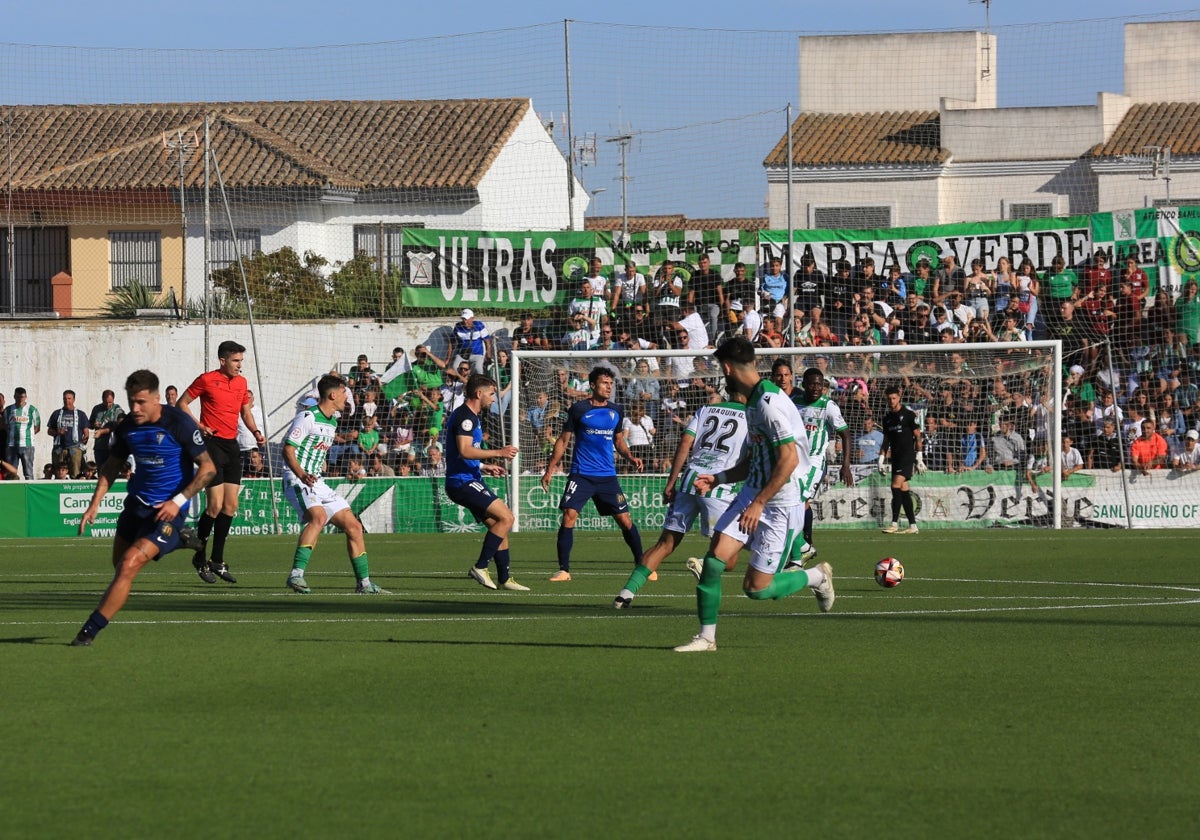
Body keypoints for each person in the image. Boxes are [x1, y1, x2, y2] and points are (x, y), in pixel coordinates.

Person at [674, 337, 834, 653]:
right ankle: (707, 638)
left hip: (779, 503)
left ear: (729, 367)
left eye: (721, 367)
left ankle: (817, 577)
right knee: (714, 560)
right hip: (752, 494)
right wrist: (719, 477)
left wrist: (760, 503)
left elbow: (788, 459)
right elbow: (757, 459)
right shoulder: (753, 400)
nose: (722, 374)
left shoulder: (769, 405)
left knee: (757, 590)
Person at [71, 369, 215, 646]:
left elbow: (208, 469)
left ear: (157, 398)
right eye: (131, 401)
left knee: (128, 566)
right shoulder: (127, 427)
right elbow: (111, 467)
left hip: (168, 510)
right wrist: (94, 505)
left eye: (141, 402)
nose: (135, 408)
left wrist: (178, 501)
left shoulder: (179, 423)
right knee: (119, 568)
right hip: (136, 506)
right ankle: (179, 540)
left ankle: (88, 631)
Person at [612, 391, 748, 609]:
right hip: (716, 486)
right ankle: (703, 565)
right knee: (729, 557)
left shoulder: (706, 409)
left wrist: (671, 482)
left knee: (665, 544)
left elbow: (685, 442)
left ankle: (625, 594)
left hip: (688, 480)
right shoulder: (752, 415)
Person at [283, 374, 388, 595]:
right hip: (297, 478)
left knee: (354, 526)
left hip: (316, 481)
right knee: (319, 517)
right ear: (332, 395)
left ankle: (365, 584)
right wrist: (301, 474)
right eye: (343, 392)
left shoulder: (332, 420)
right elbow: (288, 449)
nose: (346, 397)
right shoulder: (307, 417)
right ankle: (296, 575)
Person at [540, 366, 645, 582]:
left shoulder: (616, 410)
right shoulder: (578, 409)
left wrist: (630, 457)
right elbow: (563, 440)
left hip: (607, 476)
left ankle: (643, 565)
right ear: (592, 385)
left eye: (611, 383)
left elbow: (619, 441)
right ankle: (564, 570)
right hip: (582, 474)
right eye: (605, 383)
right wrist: (550, 469)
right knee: (569, 515)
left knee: (624, 520)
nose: (609, 387)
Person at [177, 339, 266, 584]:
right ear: (223, 360)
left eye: (241, 361)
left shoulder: (242, 383)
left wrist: (256, 432)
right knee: (214, 507)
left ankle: (217, 560)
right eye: (236, 361)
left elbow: (245, 412)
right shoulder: (206, 379)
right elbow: (182, 404)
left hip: (232, 446)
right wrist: (200, 426)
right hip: (211, 446)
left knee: (230, 506)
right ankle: (199, 556)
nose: (239, 365)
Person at [445, 374, 528, 592]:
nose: (494, 398)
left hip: (468, 477)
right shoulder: (466, 417)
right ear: (479, 394)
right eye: (491, 394)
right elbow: (464, 450)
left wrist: (483, 467)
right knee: (507, 517)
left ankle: (505, 578)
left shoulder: (471, 416)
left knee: (498, 526)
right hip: (462, 482)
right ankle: (481, 567)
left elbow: (459, 453)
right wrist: (499, 452)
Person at [784, 367, 853, 569]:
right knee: (795, 503)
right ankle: (804, 546)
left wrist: (845, 465)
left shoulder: (828, 406)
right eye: (812, 383)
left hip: (814, 462)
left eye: (820, 384)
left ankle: (803, 549)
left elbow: (845, 434)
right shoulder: (793, 404)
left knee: (800, 500)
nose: (816, 387)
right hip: (793, 460)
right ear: (804, 384)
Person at [880, 385, 924, 534]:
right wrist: (881, 459)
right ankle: (913, 526)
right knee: (904, 490)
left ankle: (894, 523)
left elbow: (918, 436)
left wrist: (919, 456)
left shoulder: (908, 415)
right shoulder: (887, 419)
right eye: (889, 399)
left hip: (907, 456)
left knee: (895, 486)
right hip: (896, 458)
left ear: (899, 397)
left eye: (894, 398)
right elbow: (886, 440)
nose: (891, 401)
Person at [48, 390, 90, 479]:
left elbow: (86, 433)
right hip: (59, 448)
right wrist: (57, 432)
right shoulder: (56, 413)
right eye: (65, 398)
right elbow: (49, 431)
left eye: (69, 398)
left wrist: (81, 446)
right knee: (59, 474)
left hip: (75, 448)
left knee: (76, 474)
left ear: (74, 399)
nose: (67, 401)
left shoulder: (81, 414)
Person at [4, 387, 41, 481]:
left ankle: (30, 494)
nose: (20, 399)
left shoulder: (32, 410)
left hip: (27, 445)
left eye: (22, 397)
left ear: (26, 397)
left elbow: (37, 427)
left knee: (28, 473)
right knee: (11, 473)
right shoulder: (8, 410)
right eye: (18, 397)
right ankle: (12, 493)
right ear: (14, 397)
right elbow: (5, 425)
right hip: (11, 446)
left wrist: (27, 435)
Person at [687, 253, 726, 341]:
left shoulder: (714, 274)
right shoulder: (695, 275)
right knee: (692, 317)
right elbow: (691, 292)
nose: (703, 265)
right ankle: (695, 338)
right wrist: (689, 305)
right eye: (701, 263)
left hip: (713, 304)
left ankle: (713, 339)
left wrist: (722, 306)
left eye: (705, 262)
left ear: (709, 262)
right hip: (699, 304)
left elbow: (720, 291)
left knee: (713, 316)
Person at [89, 389, 125, 467]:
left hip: (112, 446)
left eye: (110, 402)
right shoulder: (96, 409)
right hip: (99, 446)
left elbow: (118, 425)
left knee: (111, 470)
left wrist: (102, 431)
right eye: (106, 402)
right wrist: (94, 425)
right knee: (100, 470)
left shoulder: (117, 410)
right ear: (102, 399)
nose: (108, 404)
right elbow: (90, 424)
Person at [236, 389, 266, 476]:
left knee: (258, 471)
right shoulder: (237, 411)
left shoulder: (260, 411)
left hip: (257, 447)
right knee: (242, 473)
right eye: (245, 398)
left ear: (253, 398)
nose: (247, 400)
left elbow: (266, 427)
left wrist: (264, 439)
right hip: (241, 449)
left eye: (249, 398)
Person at [453, 309, 491, 374]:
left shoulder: (479, 325)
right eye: (463, 319)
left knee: (478, 369)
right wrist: (448, 358)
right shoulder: (458, 326)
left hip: (477, 354)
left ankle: (478, 383)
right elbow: (452, 341)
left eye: (467, 319)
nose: (465, 321)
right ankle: (460, 382)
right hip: (462, 354)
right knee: (454, 368)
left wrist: (488, 355)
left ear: (472, 318)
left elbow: (487, 340)